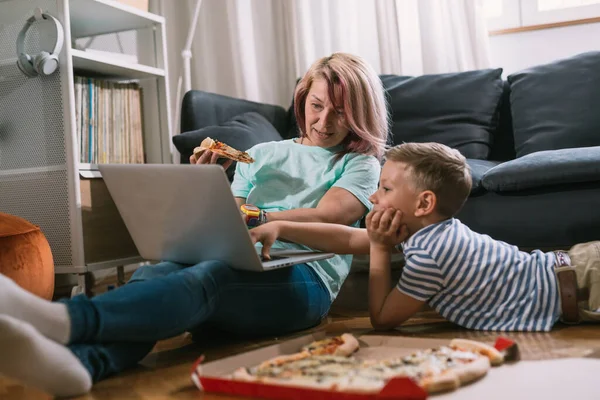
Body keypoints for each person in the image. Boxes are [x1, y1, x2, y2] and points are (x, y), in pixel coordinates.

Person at [0, 52, 388, 397]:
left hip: (306, 277)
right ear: (303, 99)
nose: (323, 121)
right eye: (317, 105)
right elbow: (229, 219)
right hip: (241, 259)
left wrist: (268, 218)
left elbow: (330, 215)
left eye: (339, 113)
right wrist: (206, 186)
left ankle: (64, 319)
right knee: (159, 273)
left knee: (211, 277)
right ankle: (84, 366)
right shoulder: (261, 155)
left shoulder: (359, 162)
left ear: (358, 116)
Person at [250, 142, 600, 334]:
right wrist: (280, 225)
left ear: (424, 203)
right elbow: (349, 238)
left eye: (384, 189)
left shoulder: (432, 254)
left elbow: (383, 319)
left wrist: (380, 249)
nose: (373, 197)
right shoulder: (427, 233)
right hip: (578, 268)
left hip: (588, 281)